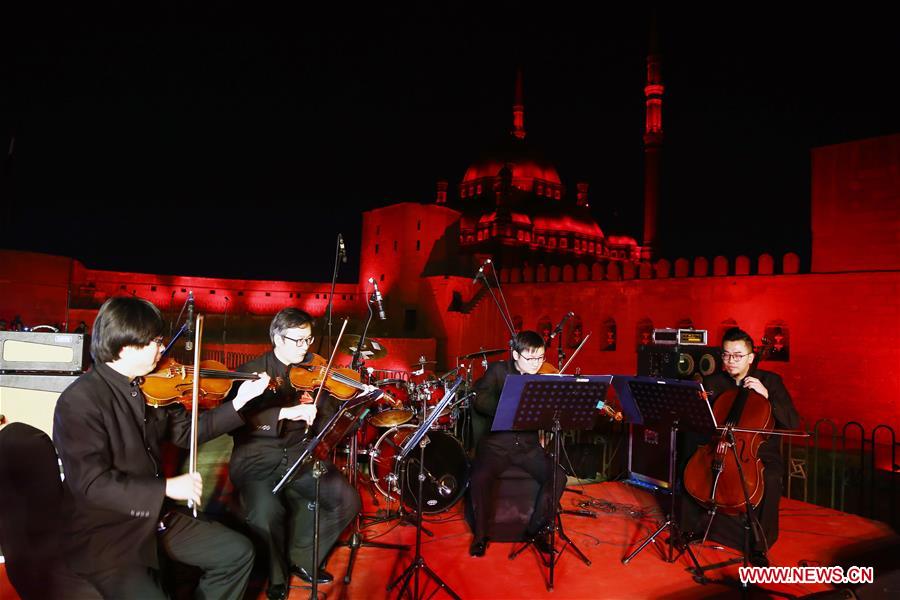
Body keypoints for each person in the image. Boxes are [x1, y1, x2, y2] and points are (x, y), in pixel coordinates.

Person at [53, 296, 267, 599]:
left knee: (237, 552)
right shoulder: (80, 402)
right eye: (154, 341)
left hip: (155, 518)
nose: (163, 348)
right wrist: (165, 488)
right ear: (126, 347)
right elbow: (92, 484)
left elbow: (189, 433)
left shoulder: (148, 387)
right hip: (107, 534)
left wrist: (239, 402)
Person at [228, 308, 361, 600]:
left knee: (347, 500)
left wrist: (345, 404)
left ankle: (302, 558)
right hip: (257, 458)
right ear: (276, 337)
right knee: (266, 513)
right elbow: (238, 425)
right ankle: (277, 576)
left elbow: (326, 423)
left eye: (308, 339)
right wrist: (286, 412)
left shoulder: (314, 372)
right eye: (297, 340)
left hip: (301, 456)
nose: (305, 347)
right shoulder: (251, 372)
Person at [680, 327, 800, 567]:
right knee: (689, 459)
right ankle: (690, 528)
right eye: (725, 355)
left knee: (773, 475)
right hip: (719, 445)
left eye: (737, 355)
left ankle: (759, 547)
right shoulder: (715, 381)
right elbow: (699, 420)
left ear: (751, 357)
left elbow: (792, 422)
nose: (730, 361)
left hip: (757, 452)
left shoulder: (771, 382)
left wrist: (767, 396)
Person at [467, 330, 567, 557]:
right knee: (479, 477)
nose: (536, 364)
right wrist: (510, 406)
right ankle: (481, 536)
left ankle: (536, 529)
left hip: (528, 447)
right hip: (496, 445)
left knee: (558, 476)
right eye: (530, 358)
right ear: (515, 354)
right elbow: (480, 399)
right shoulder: (498, 371)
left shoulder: (544, 377)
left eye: (540, 357)